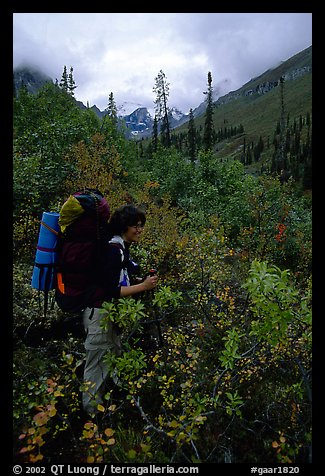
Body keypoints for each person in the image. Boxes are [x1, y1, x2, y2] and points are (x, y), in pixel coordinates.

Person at [82, 203, 158, 416]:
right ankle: (91, 419)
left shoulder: (120, 247)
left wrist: (140, 282)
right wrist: (142, 286)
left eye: (141, 225)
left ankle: (109, 408)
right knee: (96, 368)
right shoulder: (113, 251)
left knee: (112, 359)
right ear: (124, 226)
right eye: (136, 225)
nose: (140, 230)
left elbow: (116, 280)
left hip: (107, 315)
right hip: (99, 315)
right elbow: (110, 291)